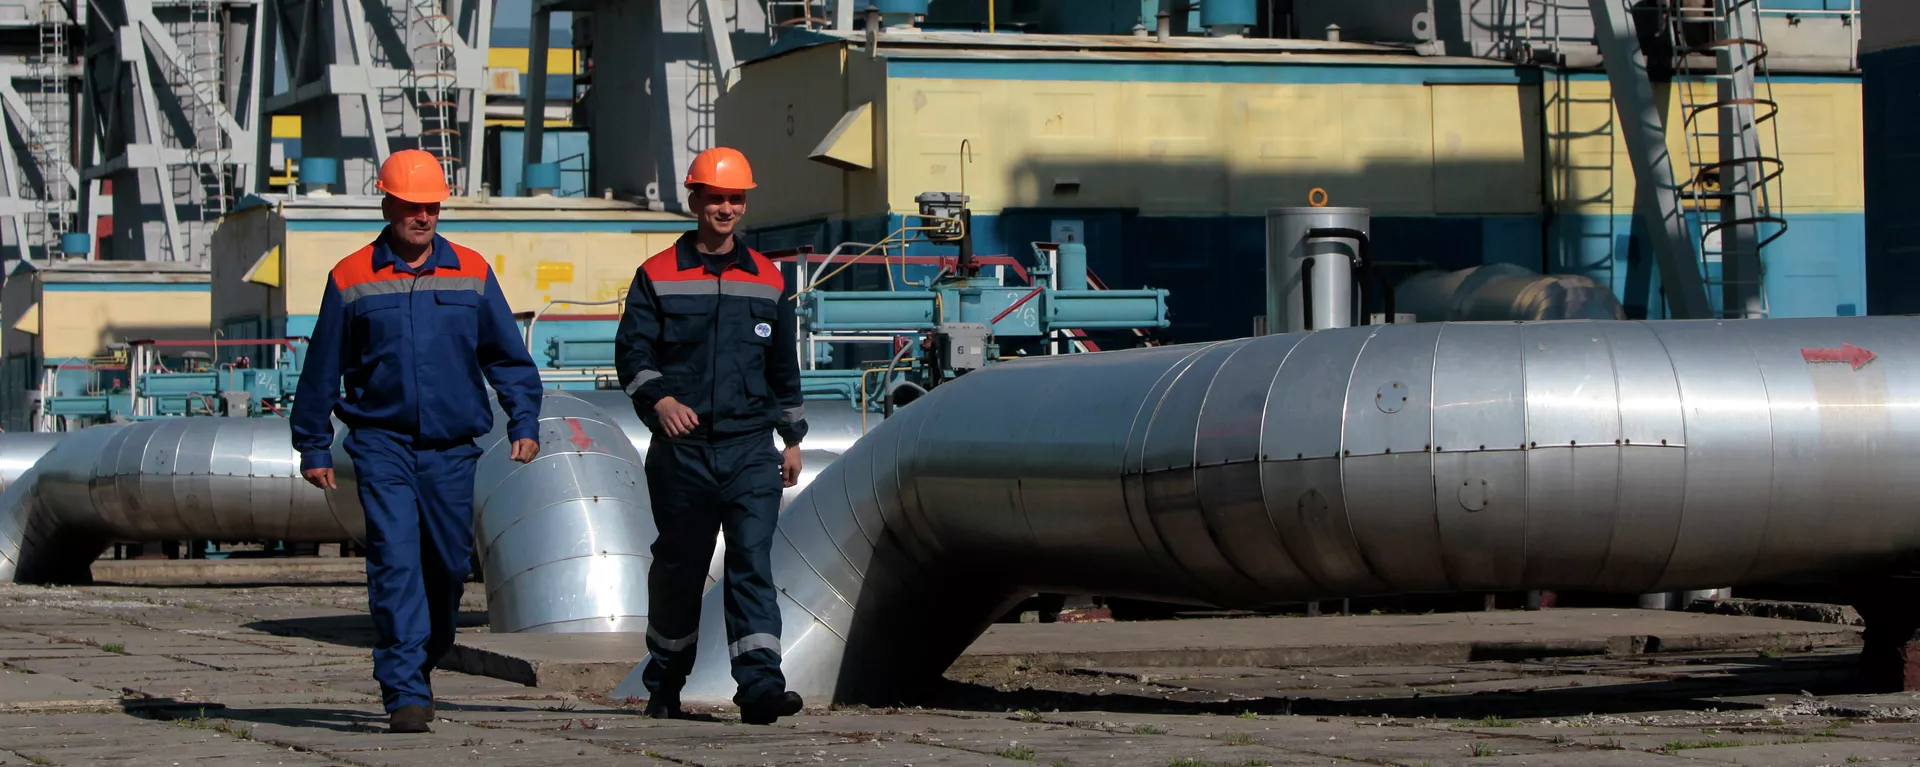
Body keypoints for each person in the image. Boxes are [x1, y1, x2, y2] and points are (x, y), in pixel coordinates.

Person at [289, 149, 545, 734]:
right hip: (382, 444)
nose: (422, 217)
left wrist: (524, 422)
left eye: (430, 207)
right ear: (387, 204)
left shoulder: (473, 271)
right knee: (396, 561)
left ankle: (423, 656)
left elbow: (506, 356)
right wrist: (313, 443)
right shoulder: (351, 276)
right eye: (411, 207)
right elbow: (322, 367)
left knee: (448, 567)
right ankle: (403, 686)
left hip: (452, 449)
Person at [614, 146, 808, 725]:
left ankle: (760, 689)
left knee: (751, 562)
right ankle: (666, 681)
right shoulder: (657, 275)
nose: (725, 208)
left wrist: (792, 437)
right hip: (683, 451)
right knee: (681, 566)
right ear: (694, 199)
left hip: (751, 449)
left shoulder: (769, 279)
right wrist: (661, 400)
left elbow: (782, 368)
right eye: (715, 197)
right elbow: (632, 352)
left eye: (735, 198)